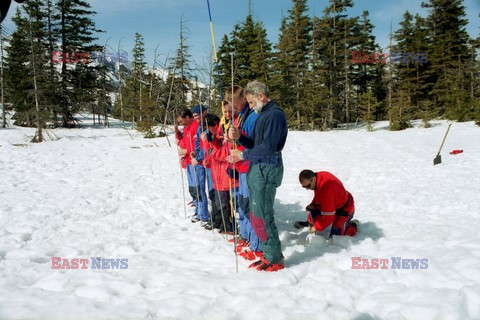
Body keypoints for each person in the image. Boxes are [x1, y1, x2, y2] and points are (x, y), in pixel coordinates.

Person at [227, 80, 288, 272]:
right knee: (256, 215)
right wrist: (240, 138)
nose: (251, 107)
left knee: (263, 214)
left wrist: (242, 154)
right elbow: (255, 143)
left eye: (252, 102)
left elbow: (268, 148)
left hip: (267, 168)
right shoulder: (263, 114)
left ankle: (274, 258)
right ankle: (267, 253)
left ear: (261, 96)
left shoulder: (274, 115)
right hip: (257, 167)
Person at [224, 85, 261, 260]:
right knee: (242, 204)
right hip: (241, 166)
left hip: (249, 166)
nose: (232, 108)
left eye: (235, 104)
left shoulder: (252, 116)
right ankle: (247, 238)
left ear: (243, 99)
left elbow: (253, 143)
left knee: (250, 206)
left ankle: (256, 244)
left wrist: (239, 142)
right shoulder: (242, 116)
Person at [204, 106, 238, 233]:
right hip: (216, 174)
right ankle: (224, 225)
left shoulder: (222, 136)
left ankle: (229, 226)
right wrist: (206, 160)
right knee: (219, 203)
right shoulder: (212, 137)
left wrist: (212, 149)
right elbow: (210, 152)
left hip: (225, 175)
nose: (208, 130)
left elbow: (221, 153)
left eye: (209, 127)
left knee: (226, 204)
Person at [297, 170, 359, 237]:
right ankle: (310, 223)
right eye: (304, 187)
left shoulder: (327, 189)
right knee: (313, 209)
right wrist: (313, 204)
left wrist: (316, 227)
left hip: (345, 209)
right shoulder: (318, 178)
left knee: (335, 236)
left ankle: (353, 225)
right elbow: (319, 196)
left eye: (308, 186)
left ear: (314, 179)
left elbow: (329, 216)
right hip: (334, 202)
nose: (307, 189)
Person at [174, 108, 202, 222]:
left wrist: (185, 151)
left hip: (195, 161)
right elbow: (184, 142)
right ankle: (197, 211)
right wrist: (177, 133)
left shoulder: (196, 127)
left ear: (187, 117)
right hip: (189, 162)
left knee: (198, 188)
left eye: (181, 121)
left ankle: (202, 214)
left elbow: (195, 146)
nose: (181, 124)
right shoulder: (186, 129)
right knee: (193, 189)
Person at [190, 105, 210, 224]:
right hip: (200, 161)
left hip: (208, 162)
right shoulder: (199, 127)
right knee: (199, 188)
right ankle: (202, 214)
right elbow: (198, 143)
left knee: (210, 191)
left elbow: (208, 146)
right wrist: (195, 153)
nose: (196, 118)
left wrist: (198, 158)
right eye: (194, 116)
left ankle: (206, 216)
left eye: (197, 115)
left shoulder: (209, 124)